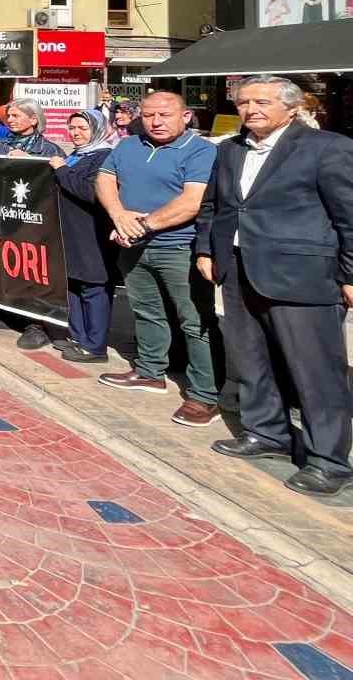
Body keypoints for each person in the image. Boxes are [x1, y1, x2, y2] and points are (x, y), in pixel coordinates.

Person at [197, 76, 353, 497]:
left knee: (315, 371)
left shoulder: (328, 148)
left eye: (262, 101)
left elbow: (348, 216)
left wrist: (351, 274)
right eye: (244, 101)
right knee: (252, 360)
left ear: (292, 106)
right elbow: (214, 206)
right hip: (239, 269)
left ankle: (328, 460)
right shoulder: (229, 150)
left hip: (303, 276)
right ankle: (266, 432)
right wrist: (206, 250)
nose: (251, 109)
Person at [95, 89, 222, 427]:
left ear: (186, 116)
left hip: (179, 246)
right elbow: (105, 178)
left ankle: (204, 395)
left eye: (165, 114)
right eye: (149, 114)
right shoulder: (128, 144)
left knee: (195, 320)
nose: (155, 121)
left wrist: (139, 225)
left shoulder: (201, 151)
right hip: (132, 245)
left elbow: (192, 201)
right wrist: (118, 214)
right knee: (146, 310)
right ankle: (151, 371)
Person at [46, 110, 118, 363]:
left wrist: (63, 171)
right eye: (72, 128)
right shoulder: (77, 155)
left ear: (97, 129)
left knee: (93, 287)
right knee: (73, 285)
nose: (76, 133)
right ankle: (78, 337)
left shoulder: (105, 157)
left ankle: (95, 346)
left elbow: (91, 192)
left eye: (82, 129)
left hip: (91, 234)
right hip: (69, 232)